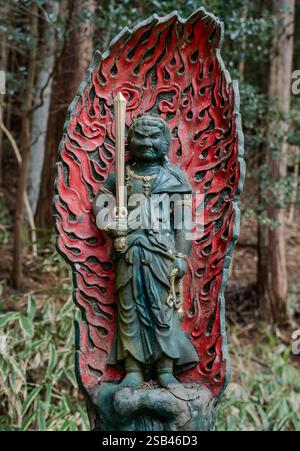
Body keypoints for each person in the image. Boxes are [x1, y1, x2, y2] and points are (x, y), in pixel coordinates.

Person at [93, 115, 199, 388]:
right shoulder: (121, 174)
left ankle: (165, 368)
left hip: (162, 253)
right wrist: (112, 226)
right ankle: (133, 368)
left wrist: (180, 256)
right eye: (140, 137)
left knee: (161, 309)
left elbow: (184, 223)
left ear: (166, 142)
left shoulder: (174, 177)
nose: (146, 143)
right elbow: (100, 204)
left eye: (154, 137)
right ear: (129, 141)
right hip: (127, 251)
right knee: (129, 308)